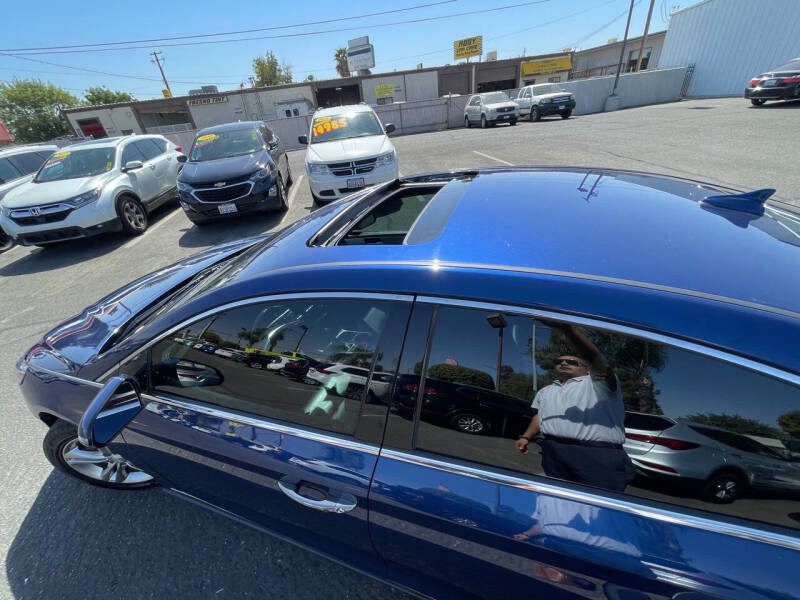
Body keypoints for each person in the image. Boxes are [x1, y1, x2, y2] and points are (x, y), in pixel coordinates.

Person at [515, 325, 634, 492]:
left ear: (586, 368)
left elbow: (597, 361)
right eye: (559, 361)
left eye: (571, 361)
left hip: (595, 456)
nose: (563, 363)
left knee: (597, 507)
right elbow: (540, 417)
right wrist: (525, 437)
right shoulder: (546, 390)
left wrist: (568, 331)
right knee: (559, 500)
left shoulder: (597, 384)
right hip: (553, 451)